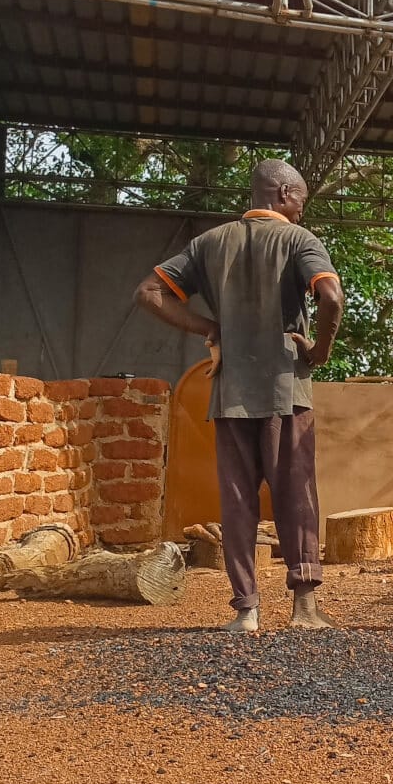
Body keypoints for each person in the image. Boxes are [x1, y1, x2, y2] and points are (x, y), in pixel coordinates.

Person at [135, 158, 345, 632]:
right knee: (295, 494)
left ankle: (246, 610)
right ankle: (305, 609)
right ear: (283, 194)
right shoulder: (298, 240)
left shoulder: (208, 243)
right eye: (300, 203)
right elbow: (330, 297)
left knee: (237, 501)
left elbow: (149, 292)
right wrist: (319, 352)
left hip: (228, 392)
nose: (301, 213)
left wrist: (212, 327)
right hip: (285, 388)